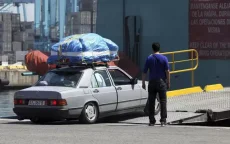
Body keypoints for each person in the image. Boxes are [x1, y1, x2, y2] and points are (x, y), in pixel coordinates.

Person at [142, 42, 170, 127]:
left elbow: (144, 72)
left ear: (152, 49)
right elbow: (167, 71)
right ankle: (163, 121)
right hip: (161, 82)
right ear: (159, 49)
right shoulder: (164, 58)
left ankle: (151, 121)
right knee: (163, 101)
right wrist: (168, 82)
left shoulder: (149, 58)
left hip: (152, 82)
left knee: (151, 101)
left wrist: (143, 82)